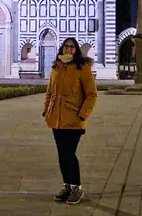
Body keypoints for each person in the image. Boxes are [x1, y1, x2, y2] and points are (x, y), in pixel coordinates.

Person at [42, 37, 98, 205]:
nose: (69, 49)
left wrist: (83, 115)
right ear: (62, 48)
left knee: (69, 155)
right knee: (62, 155)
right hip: (56, 119)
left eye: (72, 47)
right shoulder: (56, 67)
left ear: (76, 49)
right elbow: (50, 92)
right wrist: (46, 110)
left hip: (74, 119)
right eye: (66, 46)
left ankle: (76, 187)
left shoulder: (83, 67)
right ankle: (67, 185)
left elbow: (92, 94)